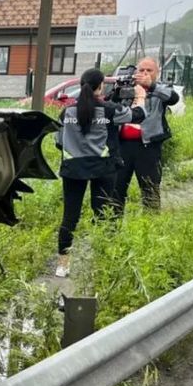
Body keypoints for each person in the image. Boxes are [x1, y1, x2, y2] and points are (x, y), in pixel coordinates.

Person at [53, 67, 135, 278]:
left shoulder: (67, 112)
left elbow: (59, 142)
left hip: (73, 169)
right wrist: (140, 97)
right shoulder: (109, 110)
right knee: (102, 214)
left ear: (81, 85)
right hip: (103, 167)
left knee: (70, 217)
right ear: (101, 86)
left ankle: (62, 265)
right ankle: (103, 260)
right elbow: (135, 116)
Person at [113, 57, 180, 214]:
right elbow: (112, 103)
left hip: (148, 145)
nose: (144, 73)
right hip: (123, 146)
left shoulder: (161, 89)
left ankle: (151, 226)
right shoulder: (128, 86)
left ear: (157, 72)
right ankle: (112, 228)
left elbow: (173, 98)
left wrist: (151, 86)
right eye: (141, 70)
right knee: (117, 188)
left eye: (149, 70)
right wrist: (120, 90)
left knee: (150, 188)